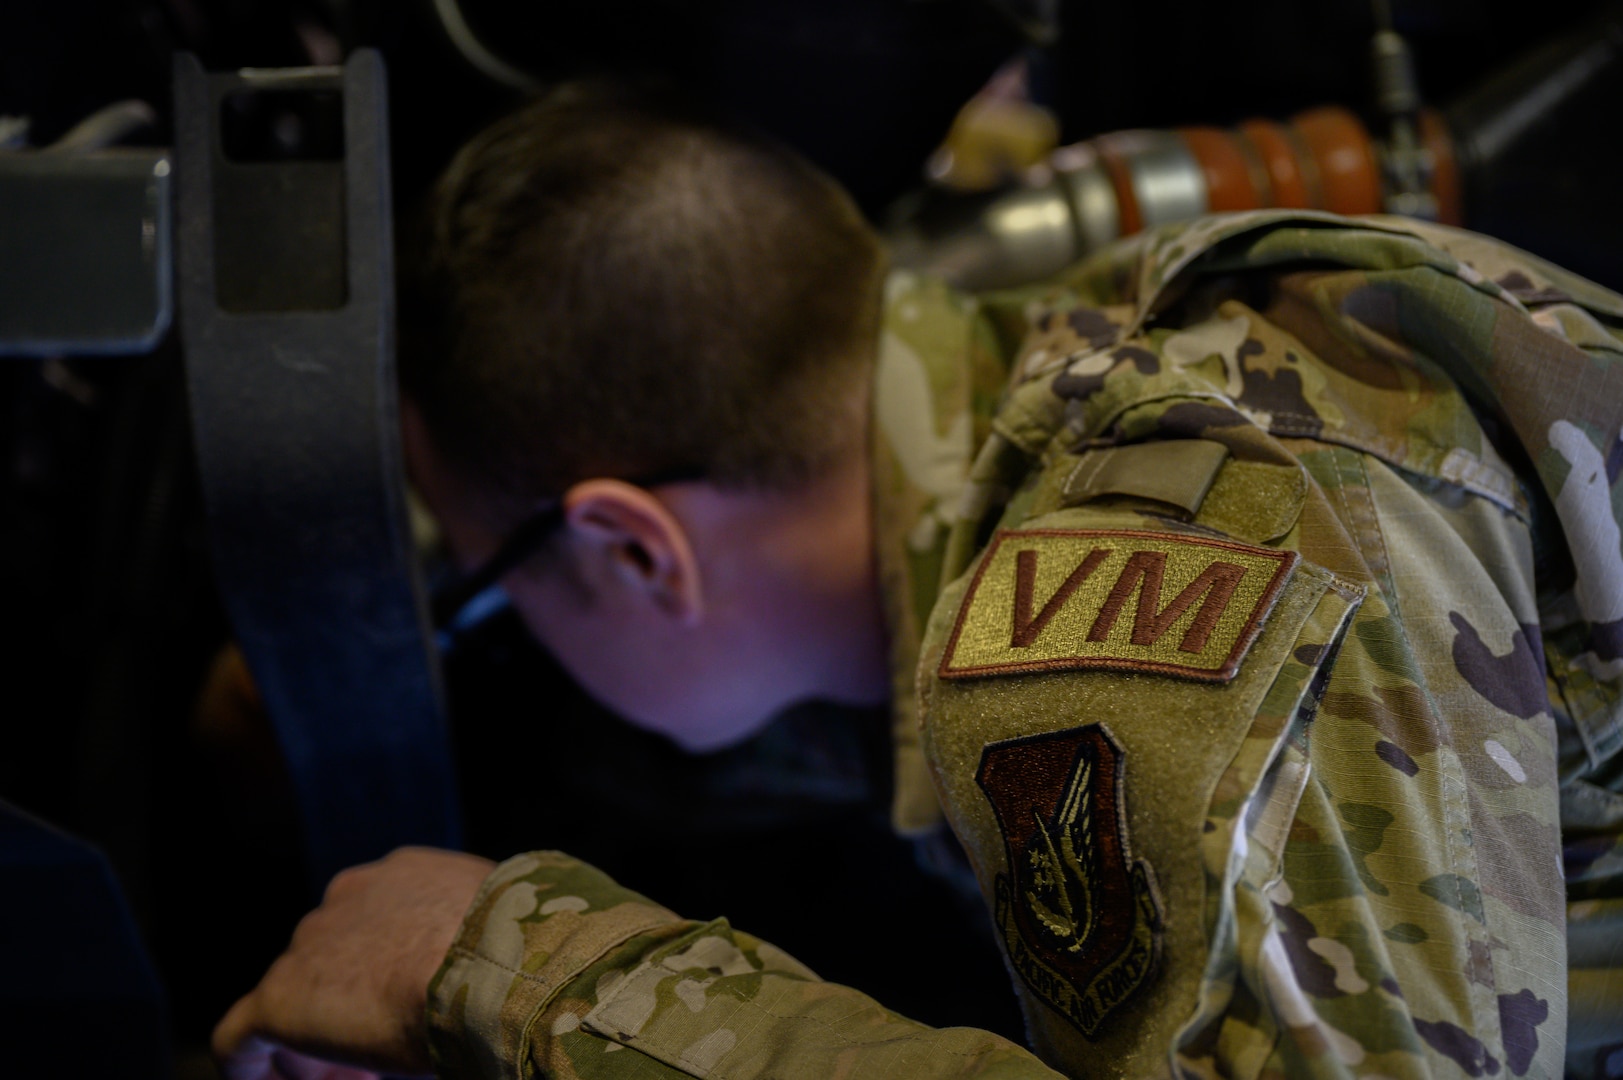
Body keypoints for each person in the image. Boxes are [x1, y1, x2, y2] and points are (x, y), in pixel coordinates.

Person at [213, 83, 1623, 1079]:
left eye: (480, 583)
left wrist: (510, 971)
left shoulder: (1119, 566)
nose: (495, 622)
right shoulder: (1076, 379)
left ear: (635, 547)